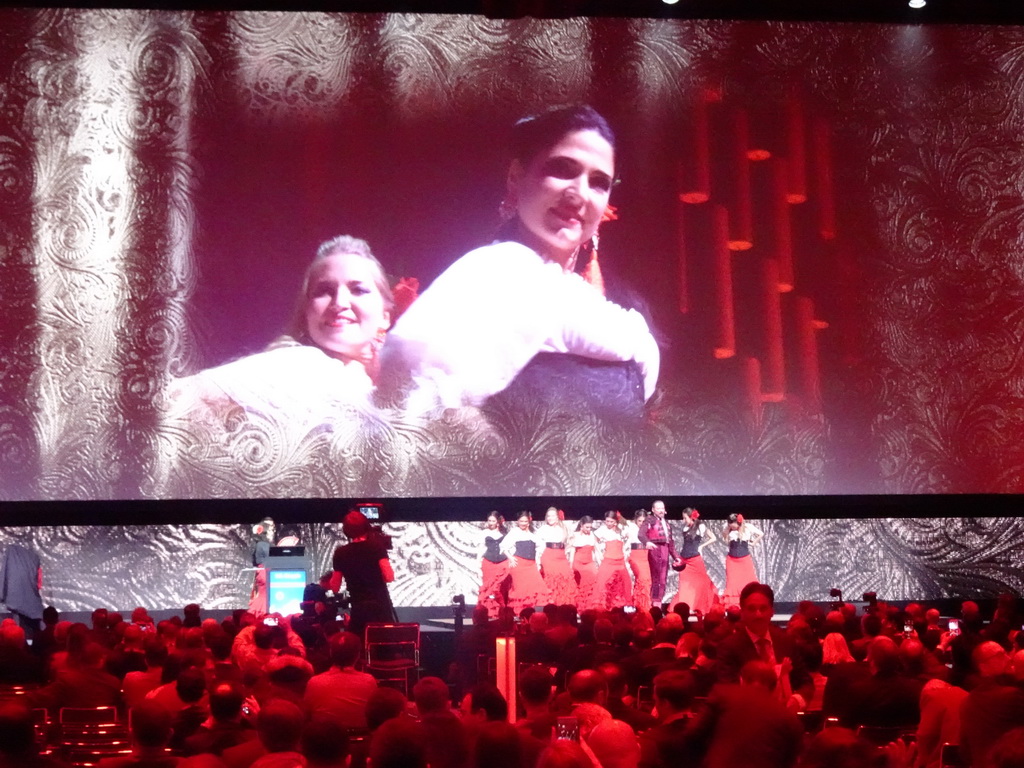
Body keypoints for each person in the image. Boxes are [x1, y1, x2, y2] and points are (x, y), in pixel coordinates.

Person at [379, 103, 660, 414]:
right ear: (516, 177)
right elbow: (405, 388)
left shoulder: (606, 306)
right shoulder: (495, 273)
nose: (579, 193)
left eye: (598, 182)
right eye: (563, 169)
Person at [172, 235, 394, 427]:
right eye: (324, 291)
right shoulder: (299, 364)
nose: (340, 302)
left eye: (358, 290)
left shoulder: (387, 384)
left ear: (385, 316)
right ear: (307, 312)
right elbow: (173, 404)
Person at [330, 510, 395, 636]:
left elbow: (335, 587)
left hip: (359, 607)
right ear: (366, 527)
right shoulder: (377, 547)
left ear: (346, 531)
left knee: (360, 644)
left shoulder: (340, 553)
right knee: (384, 644)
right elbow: (389, 577)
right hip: (380, 607)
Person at [669, 508, 718, 616]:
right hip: (684, 560)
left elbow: (713, 538)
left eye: (685, 518)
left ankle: (700, 607)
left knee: (701, 583)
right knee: (684, 585)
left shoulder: (701, 526)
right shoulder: (686, 527)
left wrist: (701, 546)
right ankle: (687, 608)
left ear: (691, 516)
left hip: (695, 559)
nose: (683, 520)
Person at [500, 513, 552, 614]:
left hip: (531, 565)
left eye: (525, 521)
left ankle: (533, 615)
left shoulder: (532, 534)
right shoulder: (515, 532)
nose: (523, 523)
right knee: (522, 590)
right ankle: (521, 614)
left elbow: (540, 546)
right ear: (517, 522)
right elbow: (504, 547)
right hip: (519, 564)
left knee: (538, 588)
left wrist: (538, 562)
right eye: (521, 521)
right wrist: (511, 558)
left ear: (529, 522)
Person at [640, 502, 679, 606]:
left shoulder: (666, 524)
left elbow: (670, 543)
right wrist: (647, 542)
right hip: (655, 549)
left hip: (665, 550)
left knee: (663, 579)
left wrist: (676, 557)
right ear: (653, 509)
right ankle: (654, 603)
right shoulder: (650, 520)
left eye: (662, 508)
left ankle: (658, 602)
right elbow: (641, 534)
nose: (661, 510)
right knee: (656, 578)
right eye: (658, 508)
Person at [538, 508, 577, 607]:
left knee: (565, 579)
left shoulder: (564, 528)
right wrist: (538, 561)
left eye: (553, 516)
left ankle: (565, 606)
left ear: (557, 517)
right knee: (552, 580)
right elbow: (539, 547)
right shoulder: (543, 529)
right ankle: (552, 606)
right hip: (548, 556)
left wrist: (570, 560)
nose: (550, 518)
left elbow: (571, 544)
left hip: (561, 556)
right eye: (548, 516)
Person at [593, 511, 632, 610]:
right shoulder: (602, 529)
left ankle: (622, 608)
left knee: (625, 584)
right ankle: (601, 608)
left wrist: (626, 551)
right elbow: (594, 541)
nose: (608, 523)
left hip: (620, 561)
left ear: (615, 521)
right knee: (602, 584)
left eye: (611, 521)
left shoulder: (622, 529)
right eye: (607, 521)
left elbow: (630, 537)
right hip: (608, 560)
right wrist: (599, 555)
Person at [722, 513, 762, 607]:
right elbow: (725, 538)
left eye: (732, 523)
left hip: (744, 560)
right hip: (732, 560)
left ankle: (750, 602)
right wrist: (727, 529)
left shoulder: (747, 527)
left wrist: (754, 542)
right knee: (732, 582)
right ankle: (733, 605)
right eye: (729, 523)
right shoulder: (728, 529)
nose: (731, 525)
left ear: (738, 522)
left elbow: (761, 534)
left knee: (748, 581)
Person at [479, 512, 510, 620]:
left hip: (502, 563)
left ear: (498, 522)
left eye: (493, 521)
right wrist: (477, 565)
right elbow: (481, 549)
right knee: (490, 590)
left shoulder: (505, 533)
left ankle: (501, 612)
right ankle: (491, 612)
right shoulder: (484, 533)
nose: (490, 523)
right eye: (489, 521)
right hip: (488, 563)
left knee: (499, 589)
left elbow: (509, 548)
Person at [569, 516, 599, 612]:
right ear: (581, 525)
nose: (589, 529)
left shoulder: (592, 535)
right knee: (580, 585)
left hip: (589, 562)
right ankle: (580, 609)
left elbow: (596, 551)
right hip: (578, 563)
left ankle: (590, 608)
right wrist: (570, 565)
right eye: (587, 527)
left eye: (590, 527)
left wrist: (599, 563)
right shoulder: (575, 535)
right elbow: (572, 551)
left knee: (593, 580)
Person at [625, 509, 653, 613]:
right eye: (639, 521)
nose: (641, 523)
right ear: (635, 520)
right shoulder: (631, 528)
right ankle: (639, 605)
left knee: (646, 581)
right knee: (642, 578)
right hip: (635, 555)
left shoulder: (648, 529)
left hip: (644, 557)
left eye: (643, 521)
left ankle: (641, 605)